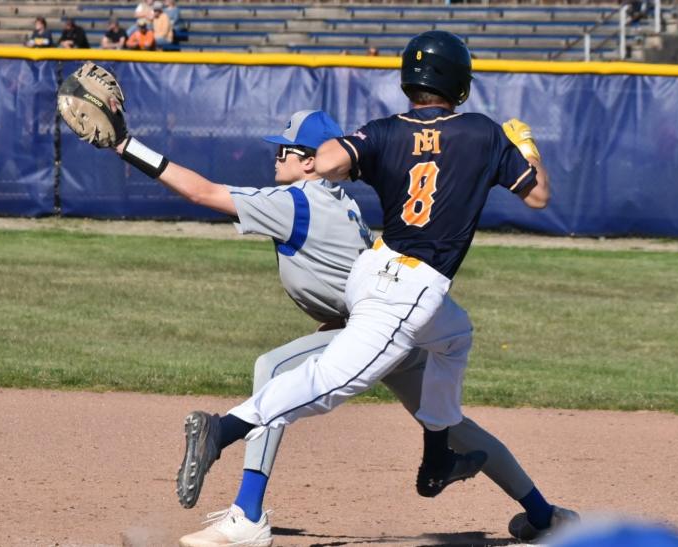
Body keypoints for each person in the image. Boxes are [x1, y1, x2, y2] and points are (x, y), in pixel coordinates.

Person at [170, 30, 579, 543]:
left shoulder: (386, 130)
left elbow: (335, 158)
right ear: (458, 81)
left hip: (375, 266)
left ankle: (437, 459)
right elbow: (538, 195)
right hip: (408, 291)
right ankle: (222, 429)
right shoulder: (482, 132)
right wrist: (526, 148)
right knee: (331, 381)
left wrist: (335, 157)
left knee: (455, 336)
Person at [105, 109, 485, 546]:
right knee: (450, 419)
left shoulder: (294, 202)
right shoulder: (342, 202)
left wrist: (126, 146)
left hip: (372, 333)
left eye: (283, 150)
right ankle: (539, 510)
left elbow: (200, 191)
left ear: (309, 161)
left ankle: (245, 511)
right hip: (400, 324)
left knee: (274, 368)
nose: (275, 157)